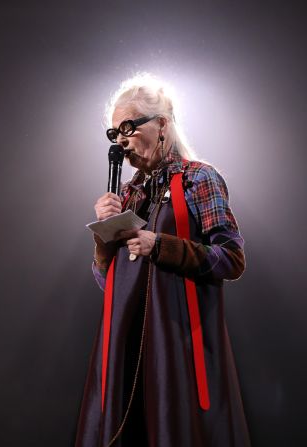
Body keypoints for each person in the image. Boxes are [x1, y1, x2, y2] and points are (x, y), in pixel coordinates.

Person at [74, 73, 251, 447]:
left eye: (128, 127)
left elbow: (231, 259)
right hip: (126, 342)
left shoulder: (199, 179)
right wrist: (103, 237)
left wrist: (162, 246)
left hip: (176, 346)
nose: (121, 141)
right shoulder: (127, 194)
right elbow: (108, 285)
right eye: (113, 133)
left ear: (162, 124)